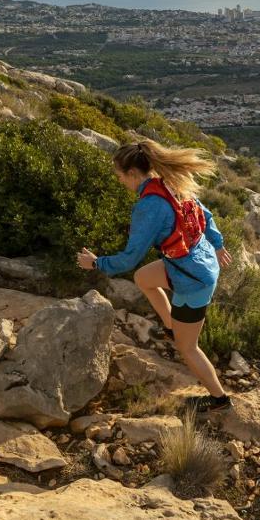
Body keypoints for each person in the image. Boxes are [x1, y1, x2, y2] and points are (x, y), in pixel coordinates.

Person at [77, 139, 234, 413]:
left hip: (193, 279)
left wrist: (96, 263)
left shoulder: (149, 206)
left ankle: (220, 400)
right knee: (143, 278)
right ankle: (171, 327)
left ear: (134, 174)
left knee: (189, 349)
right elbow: (206, 216)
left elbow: (129, 257)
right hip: (196, 260)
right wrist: (218, 244)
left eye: (120, 176)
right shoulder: (170, 182)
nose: (119, 181)